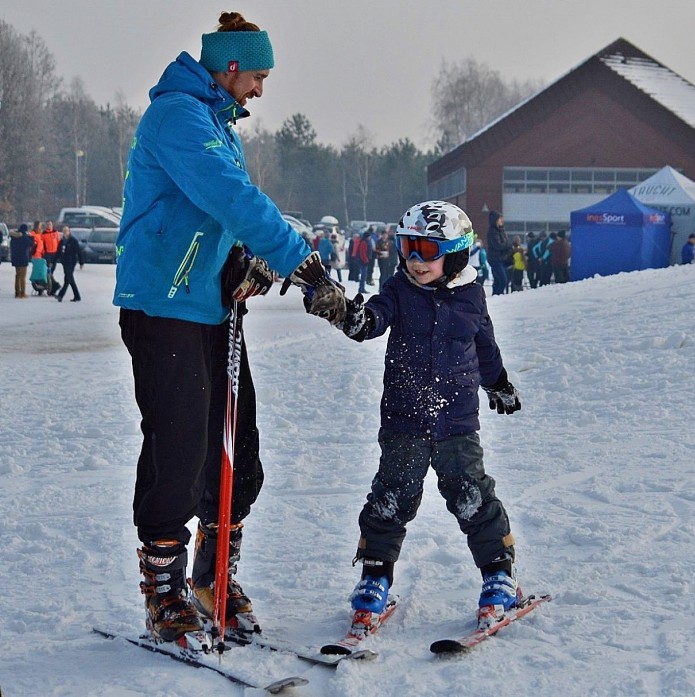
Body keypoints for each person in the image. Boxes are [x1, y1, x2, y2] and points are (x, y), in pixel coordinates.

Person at [113, 11, 346, 644]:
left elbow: (222, 219)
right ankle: (164, 592)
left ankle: (213, 576)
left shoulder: (215, 120)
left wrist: (248, 259)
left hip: (212, 304)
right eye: (259, 77)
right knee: (179, 448)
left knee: (237, 451)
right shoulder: (177, 118)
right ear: (232, 66)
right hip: (165, 305)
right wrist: (306, 265)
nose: (261, 93)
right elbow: (232, 199)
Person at [311, 200, 523, 637]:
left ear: (457, 253)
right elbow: (369, 322)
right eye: (408, 247)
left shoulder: (470, 295)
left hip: (457, 424)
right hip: (405, 421)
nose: (414, 259)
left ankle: (499, 576)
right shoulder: (398, 290)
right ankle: (375, 579)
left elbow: (485, 345)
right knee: (390, 500)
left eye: (427, 249)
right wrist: (342, 310)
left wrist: (497, 382)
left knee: (472, 498)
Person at [56, 226, 84, 302]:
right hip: (64, 262)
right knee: (70, 279)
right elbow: (58, 252)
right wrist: (53, 261)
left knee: (67, 278)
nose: (65, 233)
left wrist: (81, 262)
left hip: (71, 262)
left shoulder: (73, 241)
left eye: (66, 231)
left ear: (69, 232)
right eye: (64, 231)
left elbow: (78, 251)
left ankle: (60, 295)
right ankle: (77, 296)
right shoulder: (62, 241)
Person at [486, 211, 511, 295]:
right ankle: (498, 294)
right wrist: (507, 245)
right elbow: (498, 245)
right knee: (503, 280)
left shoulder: (501, 230)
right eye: (500, 219)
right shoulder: (493, 231)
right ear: (495, 220)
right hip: (495, 259)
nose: (502, 220)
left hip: (502, 258)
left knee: (497, 280)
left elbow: (505, 243)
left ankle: (496, 295)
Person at [10, 223, 34, 298]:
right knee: (23, 277)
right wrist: (30, 236)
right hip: (23, 258)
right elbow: (31, 243)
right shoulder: (24, 237)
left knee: (17, 276)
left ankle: (17, 292)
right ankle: (22, 293)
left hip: (15, 258)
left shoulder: (14, 237)